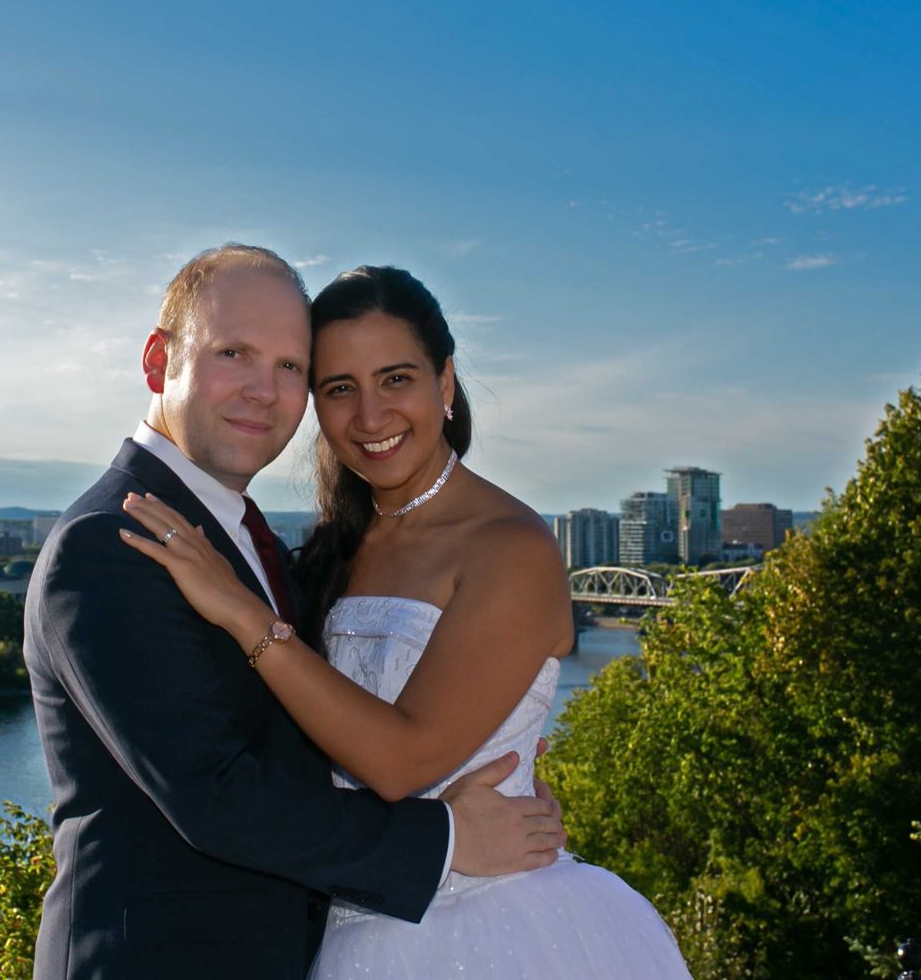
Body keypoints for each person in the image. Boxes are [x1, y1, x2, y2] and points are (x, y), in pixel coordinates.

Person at [120, 264, 694, 979]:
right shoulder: (335, 548)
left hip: (496, 927)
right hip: (350, 922)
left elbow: (400, 762)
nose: (369, 416)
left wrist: (247, 617)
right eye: (339, 389)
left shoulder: (508, 546)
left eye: (396, 379)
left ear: (445, 384)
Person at [23, 245, 567, 980]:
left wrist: (501, 761)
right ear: (158, 363)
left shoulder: (265, 544)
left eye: (288, 368)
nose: (263, 390)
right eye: (234, 353)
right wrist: (444, 838)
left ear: (445, 382)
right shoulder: (115, 542)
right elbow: (216, 798)